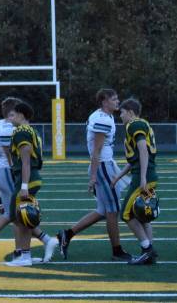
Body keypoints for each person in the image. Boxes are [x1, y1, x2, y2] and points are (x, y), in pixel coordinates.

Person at [0, 97, 58, 264]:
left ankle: (21, 251)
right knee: (17, 214)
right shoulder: (16, 129)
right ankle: (27, 249)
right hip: (10, 172)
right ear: (11, 113)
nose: (13, 118)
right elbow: (12, 157)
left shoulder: (9, 127)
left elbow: (22, 157)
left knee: (17, 214)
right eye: (12, 114)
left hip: (14, 173)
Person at [56, 88, 131, 261]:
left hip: (105, 165)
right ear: (104, 101)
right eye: (114, 99)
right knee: (113, 211)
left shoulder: (103, 116)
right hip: (103, 167)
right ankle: (117, 251)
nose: (117, 101)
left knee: (104, 211)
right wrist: (93, 177)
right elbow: (96, 151)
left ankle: (67, 234)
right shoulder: (102, 119)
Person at [110, 98, 158, 265]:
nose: (120, 116)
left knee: (127, 214)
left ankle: (147, 249)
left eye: (122, 112)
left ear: (130, 112)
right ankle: (149, 249)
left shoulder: (134, 124)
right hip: (144, 173)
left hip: (143, 175)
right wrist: (119, 176)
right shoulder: (140, 124)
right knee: (142, 214)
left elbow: (143, 151)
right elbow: (134, 158)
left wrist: (143, 177)